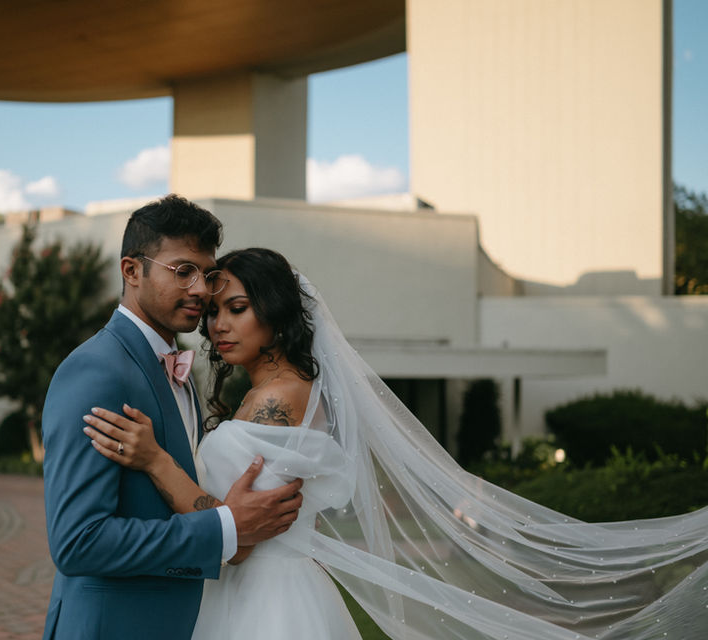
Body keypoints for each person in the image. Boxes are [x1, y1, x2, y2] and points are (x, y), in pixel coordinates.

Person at [84, 247, 708, 640]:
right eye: (214, 310)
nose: (218, 324)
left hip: (264, 605)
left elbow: (237, 540)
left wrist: (156, 461)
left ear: (274, 314)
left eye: (238, 308)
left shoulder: (282, 401)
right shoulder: (267, 392)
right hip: (247, 594)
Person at [41, 199, 305, 640]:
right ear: (131, 271)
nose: (202, 289)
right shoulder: (97, 370)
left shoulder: (175, 372)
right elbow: (78, 541)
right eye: (182, 271)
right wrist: (224, 527)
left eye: (207, 273)